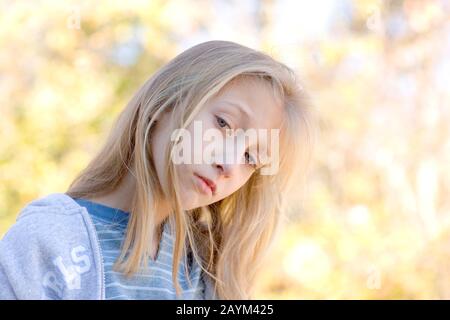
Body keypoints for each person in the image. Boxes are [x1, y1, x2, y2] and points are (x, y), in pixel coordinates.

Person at [0, 40, 315, 299]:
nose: (228, 164)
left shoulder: (204, 274)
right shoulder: (50, 241)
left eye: (251, 156)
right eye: (223, 123)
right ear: (165, 104)